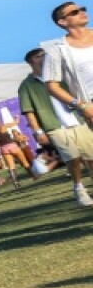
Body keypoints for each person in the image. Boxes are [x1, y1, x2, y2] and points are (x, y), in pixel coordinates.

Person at [27, 32, 93, 206]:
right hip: (55, 125)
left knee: (91, 156)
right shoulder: (27, 85)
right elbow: (28, 110)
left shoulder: (60, 75)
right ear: (33, 60)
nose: (45, 57)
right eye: (40, 56)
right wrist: (38, 130)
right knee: (73, 158)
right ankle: (79, 187)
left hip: (77, 119)